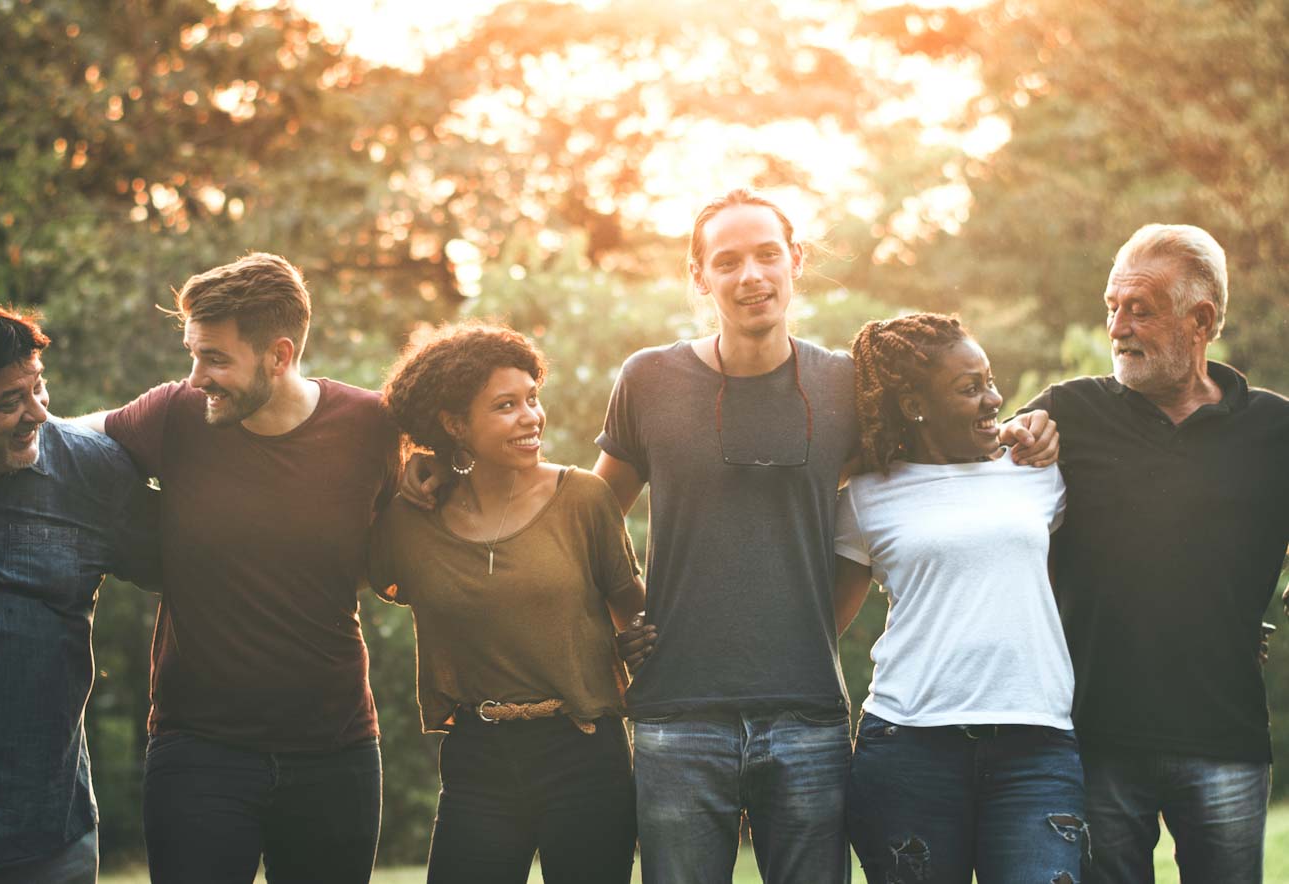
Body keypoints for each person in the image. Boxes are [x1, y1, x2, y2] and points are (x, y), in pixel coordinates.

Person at [402, 189, 1057, 884]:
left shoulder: (843, 386)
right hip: (677, 719)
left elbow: (920, 465)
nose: (752, 276)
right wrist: (446, 466)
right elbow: (586, 516)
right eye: (728, 261)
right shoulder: (648, 380)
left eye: (768, 255)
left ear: (794, 262)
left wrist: (1024, 427)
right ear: (699, 277)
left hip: (808, 718)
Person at [77, 253, 400, 883]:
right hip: (199, 750)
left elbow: (390, 549)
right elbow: (61, 445)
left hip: (335, 750)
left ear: (279, 356)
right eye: (194, 353)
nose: (196, 376)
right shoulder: (176, 414)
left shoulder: (369, 426)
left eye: (216, 358)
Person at [1021, 224, 1289, 882]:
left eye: (1140, 309)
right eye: (1112, 307)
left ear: (1201, 320)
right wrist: (1014, 433)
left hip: (1226, 740)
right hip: (1096, 741)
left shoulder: (1276, 430)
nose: (1118, 327)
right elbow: (978, 487)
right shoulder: (1067, 412)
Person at [369, 321, 646, 884]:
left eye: (532, 398)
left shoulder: (584, 499)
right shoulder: (409, 518)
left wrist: (639, 657)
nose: (531, 417)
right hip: (478, 755)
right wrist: (405, 469)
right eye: (505, 405)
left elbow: (635, 617)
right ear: (454, 424)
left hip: (584, 750)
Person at [832, 313, 1084, 884]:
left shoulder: (1038, 474)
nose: (994, 398)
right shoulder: (866, 497)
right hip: (909, 748)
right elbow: (822, 626)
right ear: (916, 405)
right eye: (969, 389)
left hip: (1036, 746)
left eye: (990, 381)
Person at [0, 296, 158, 883]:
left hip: (46, 836)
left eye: (38, 388)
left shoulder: (91, 474)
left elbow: (201, 568)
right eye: (9, 402)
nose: (38, 413)